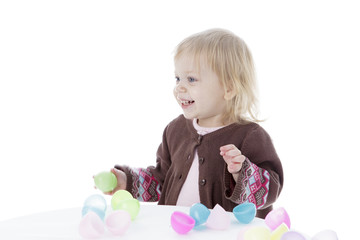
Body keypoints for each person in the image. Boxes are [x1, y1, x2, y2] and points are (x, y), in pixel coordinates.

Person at [103, 28, 283, 218]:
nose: (179, 87)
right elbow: (162, 180)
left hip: (225, 234)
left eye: (191, 79)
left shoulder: (250, 136)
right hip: (176, 230)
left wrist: (241, 173)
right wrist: (127, 182)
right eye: (177, 78)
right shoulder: (175, 130)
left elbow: (271, 190)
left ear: (229, 88)